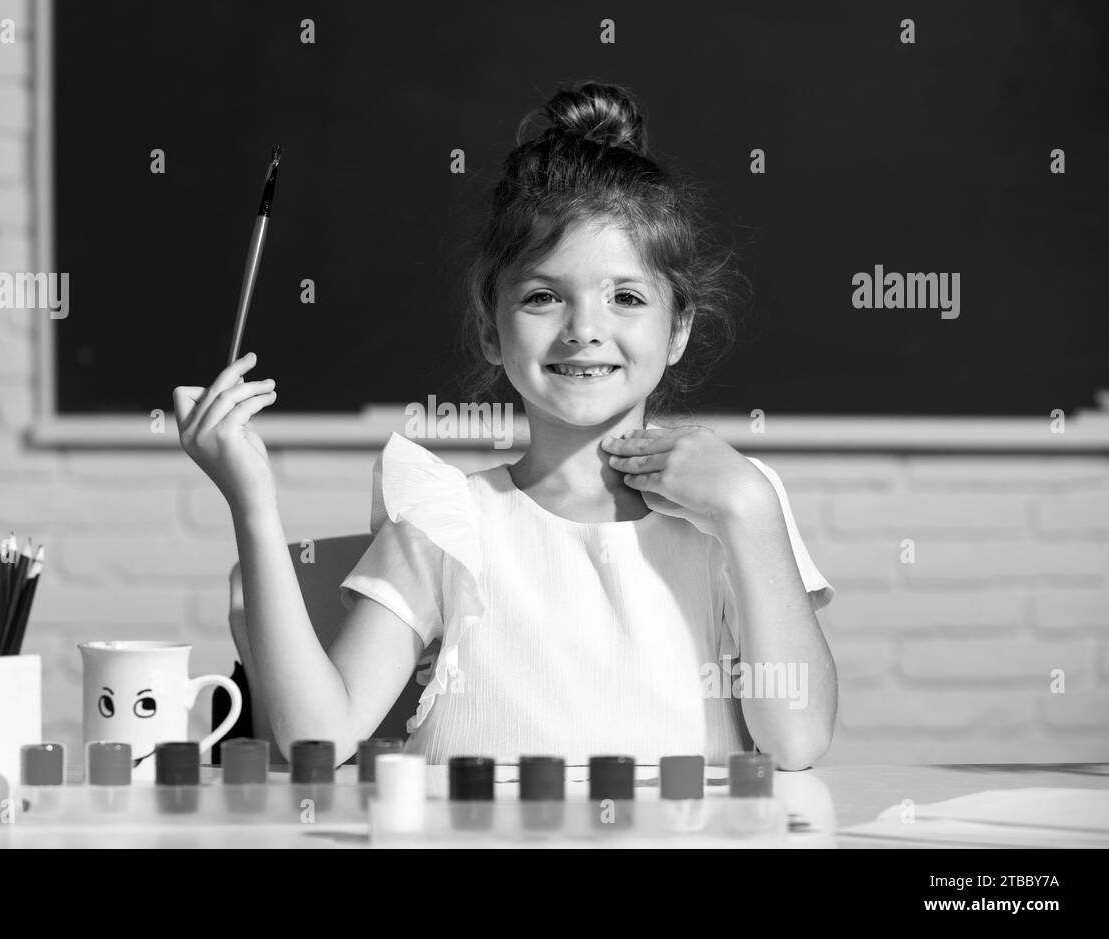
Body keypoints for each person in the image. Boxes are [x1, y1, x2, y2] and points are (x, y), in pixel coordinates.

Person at [175, 81, 837, 769]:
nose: (585, 329)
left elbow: (798, 741)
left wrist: (752, 512)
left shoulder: (735, 505)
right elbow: (319, 738)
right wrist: (251, 502)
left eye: (627, 297)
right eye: (545, 296)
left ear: (678, 329)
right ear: (492, 328)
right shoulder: (446, 517)